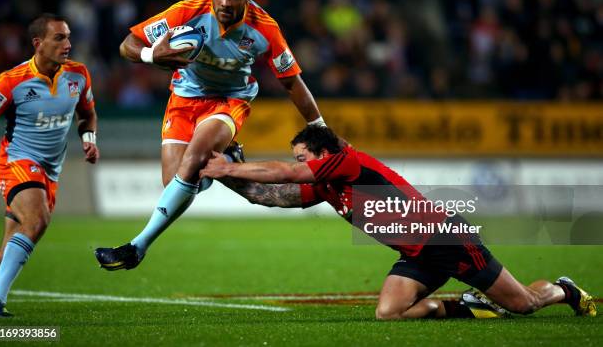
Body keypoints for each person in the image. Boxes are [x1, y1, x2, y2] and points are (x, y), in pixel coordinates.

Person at [200, 125, 597, 320]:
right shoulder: (327, 185)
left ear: (323, 153)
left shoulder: (349, 161)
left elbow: (286, 175)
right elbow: (271, 196)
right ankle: (472, 307)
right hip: (416, 254)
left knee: (524, 304)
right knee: (388, 312)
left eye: (304, 157)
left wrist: (232, 164)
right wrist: (228, 175)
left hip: (446, 240)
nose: (301, 164)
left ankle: (563, 290)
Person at [94, 0, 324, 270]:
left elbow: (291, 81)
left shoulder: (264, 27)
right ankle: (228, 162)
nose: (226, 2)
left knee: (194, 158)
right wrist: (151, 55)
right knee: (176, 181)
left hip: (229, 101)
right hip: (184, 99)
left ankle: (137, 246)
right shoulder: (188, 11)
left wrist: (318, 126)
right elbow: (128, 45)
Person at [0, 14, 99, 317]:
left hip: (51, 170)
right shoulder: (11, 81)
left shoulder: (78, 75)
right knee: (37, 220)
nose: (68, 44)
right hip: (17, 162)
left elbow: (87, 114)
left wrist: (89, 138)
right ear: (38, 44)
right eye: (59, 38)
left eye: (68, 37)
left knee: (6, 252)